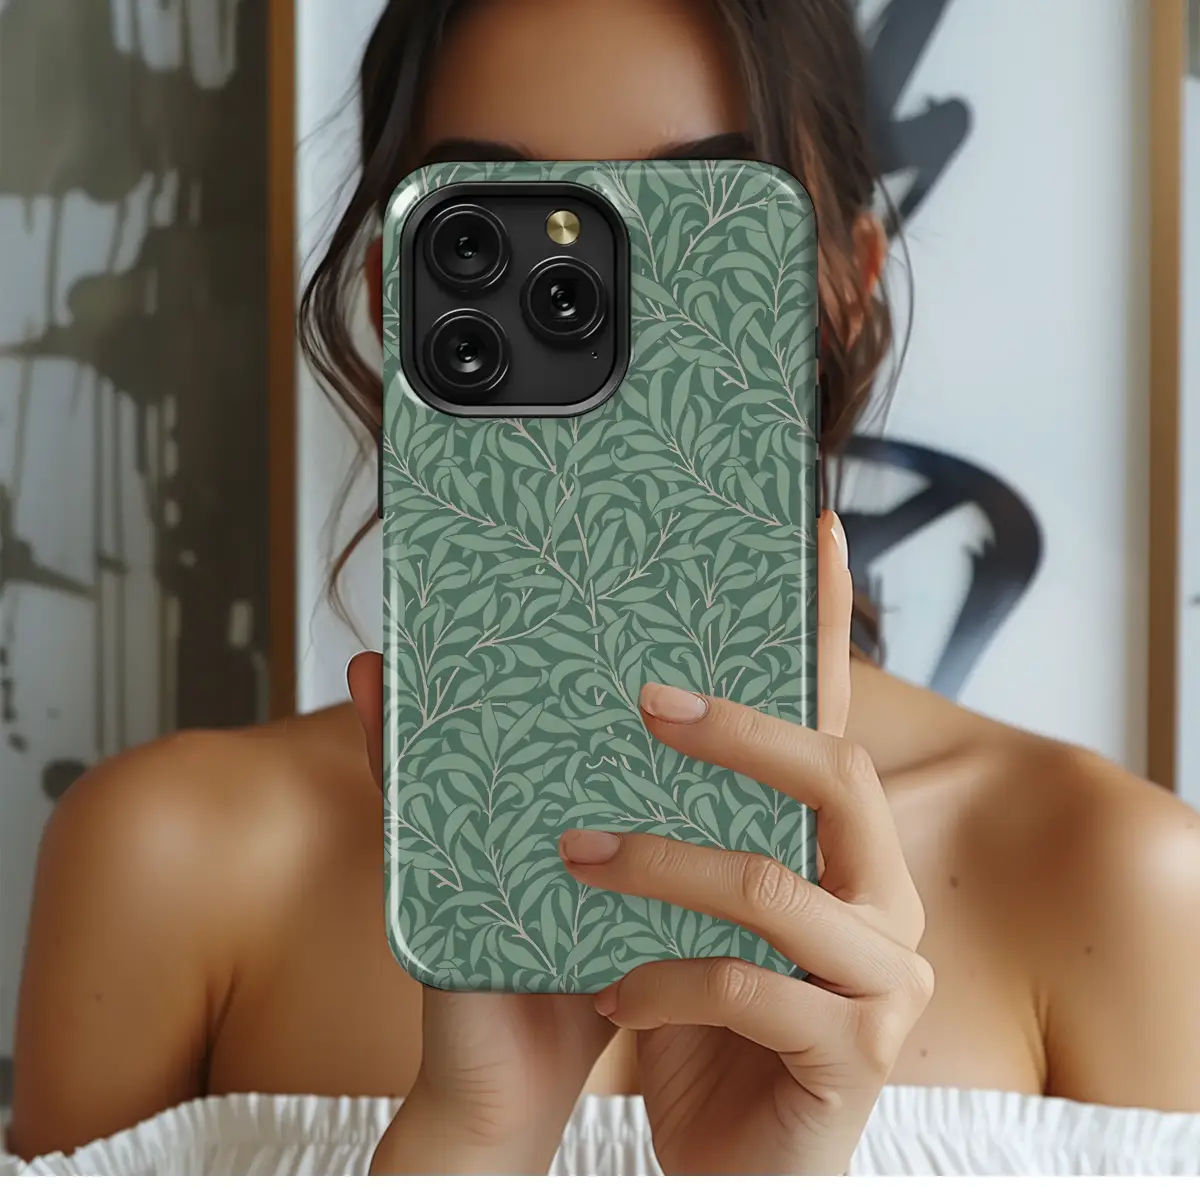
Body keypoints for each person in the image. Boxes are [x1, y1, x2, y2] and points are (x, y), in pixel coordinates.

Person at [7, 0, 1200, 1177]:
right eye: (494, 226)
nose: (608, 300)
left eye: (700, 223)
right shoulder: (169, 862)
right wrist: (474, 1140)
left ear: (846, 286)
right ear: (391, 293)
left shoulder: (1115, 882)